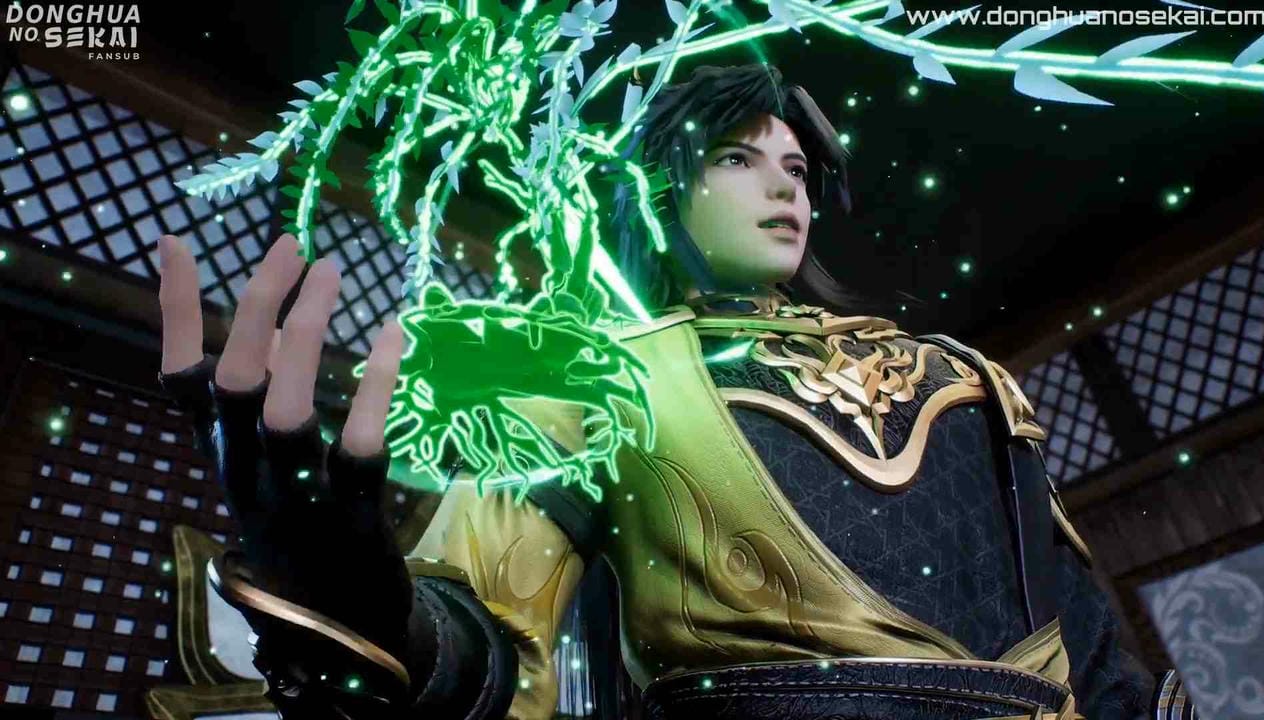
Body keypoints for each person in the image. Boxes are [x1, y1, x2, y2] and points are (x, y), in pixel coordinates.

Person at [155, 64, 1196, 720]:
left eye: (796, 168)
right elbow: (487, 646)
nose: (784, 184)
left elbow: (1096, 655)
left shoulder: (963, 378)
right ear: (660, 184)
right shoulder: (590, 379)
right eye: (739, 158)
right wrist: (361, 608)